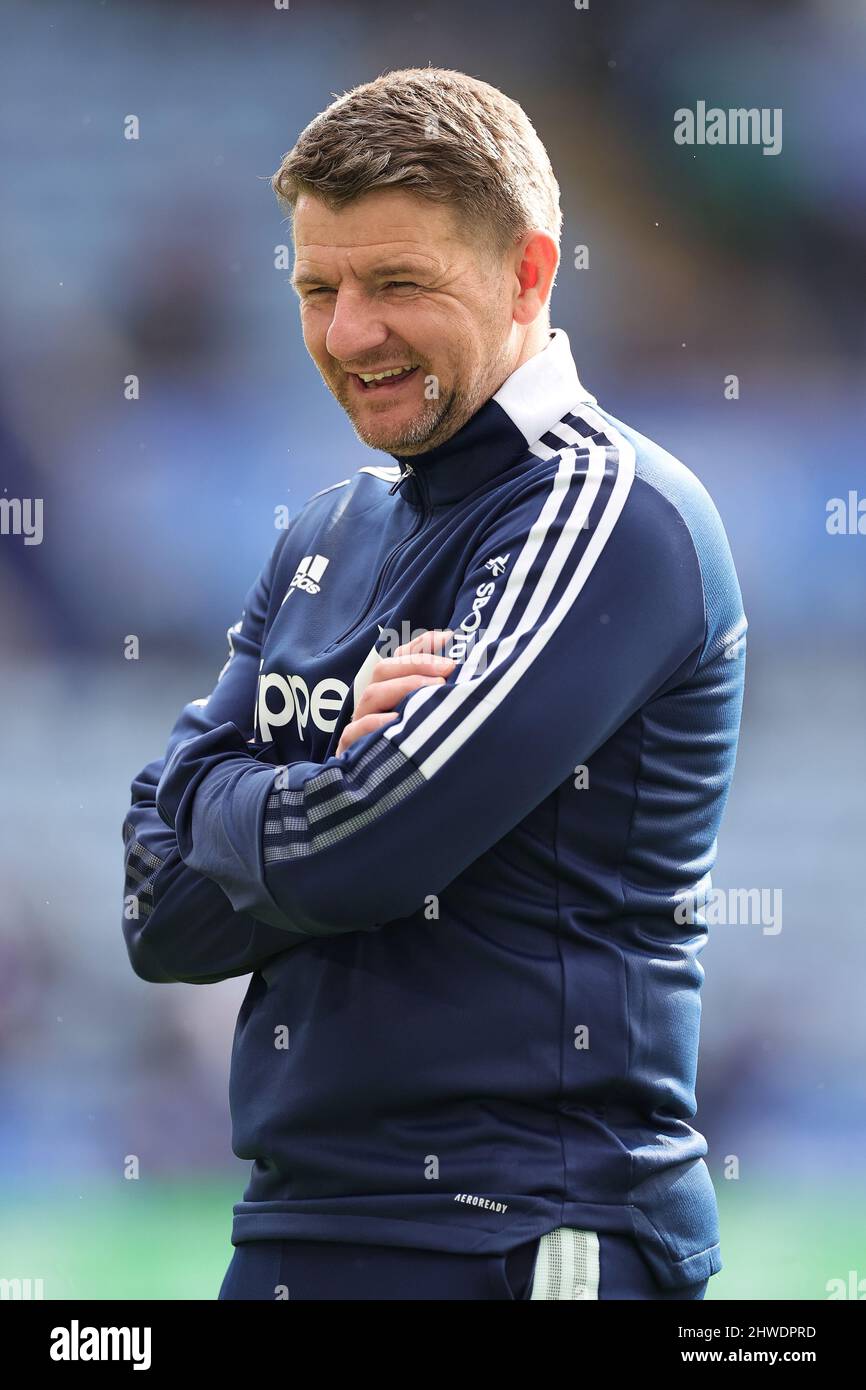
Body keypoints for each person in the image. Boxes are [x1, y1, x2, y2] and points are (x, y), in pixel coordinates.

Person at [122, 67, 747, 1301]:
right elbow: (158, 911)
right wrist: (324, 776)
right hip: (291, 1226)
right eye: (318, 290)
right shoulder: (321, 534)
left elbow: (350, 859)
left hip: (522, 1231)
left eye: (396, 284)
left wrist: (274, 795)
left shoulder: (606, 513)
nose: (349, 333)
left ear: (527, 273)